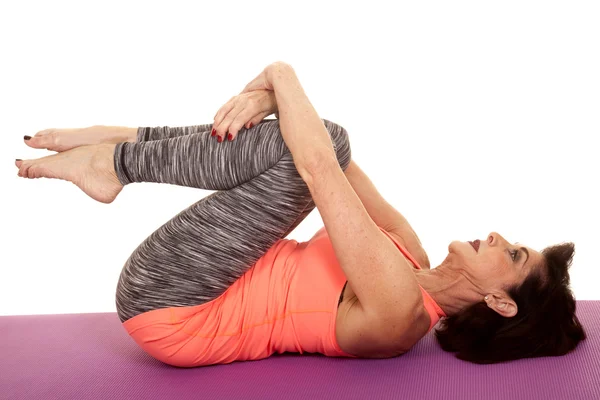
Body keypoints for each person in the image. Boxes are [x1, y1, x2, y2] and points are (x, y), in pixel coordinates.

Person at [15, 62, 586, 366]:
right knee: (321, 140)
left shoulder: (400, 314)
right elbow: (326, 152)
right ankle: (121, 145)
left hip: (175, 307)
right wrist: (273, 102)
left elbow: (317, 167)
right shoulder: (407, 245)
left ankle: (119, 161)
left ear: (501, 302)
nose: (497, 235)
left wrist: (278, 77)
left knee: (317, 146)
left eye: (513, 254)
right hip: (206, 271)